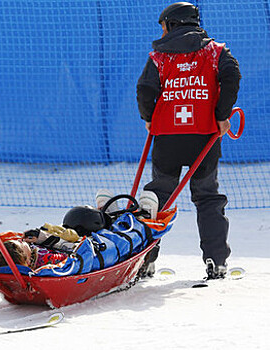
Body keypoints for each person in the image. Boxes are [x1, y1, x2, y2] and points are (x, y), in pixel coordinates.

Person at [136, 2, 241, 279]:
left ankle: (145, 261)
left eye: (163, 25)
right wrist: (222, 116)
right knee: (207, 196)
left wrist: (149, 117)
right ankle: (216, 261)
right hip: (203, 135)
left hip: (168, 136)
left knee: (157, 198)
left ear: (172, 24)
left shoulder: (159, 56)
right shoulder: (217, 51)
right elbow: (232, 77)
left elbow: (145, 89)